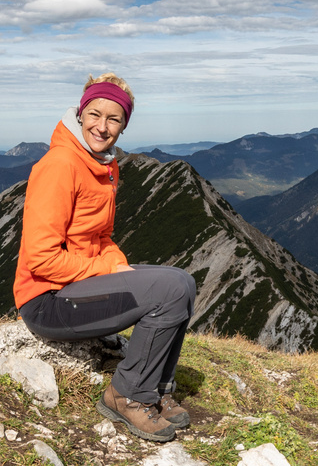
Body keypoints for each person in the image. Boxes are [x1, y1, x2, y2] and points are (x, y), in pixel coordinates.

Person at [15, 74, 198, 442]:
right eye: (95, 114)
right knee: (169, 291)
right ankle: (126, 395)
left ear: (124, 125)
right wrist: (108, 268)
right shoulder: (61, 164)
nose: (102, 126)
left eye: (114, 119)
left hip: (76, 286)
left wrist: (119, 265)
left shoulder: (101, 163)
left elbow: (100, 237)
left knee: (183, 282)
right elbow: (40, 259)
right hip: (45, 301)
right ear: (81, 114)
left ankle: (158, 388)